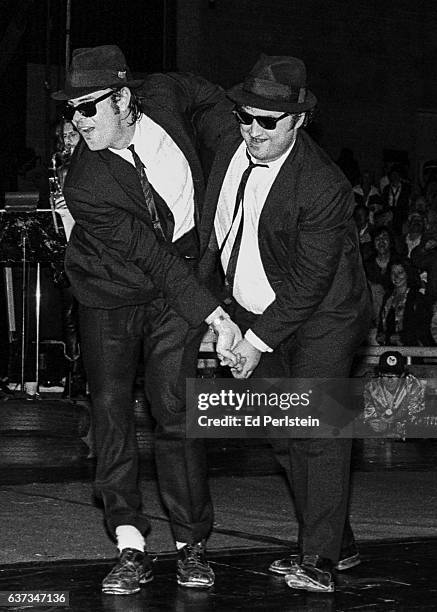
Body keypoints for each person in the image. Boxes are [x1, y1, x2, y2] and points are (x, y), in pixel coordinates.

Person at [51, 45, 242, 595]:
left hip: (177, 284)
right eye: (72, 110)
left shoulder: (165, 93)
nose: (78, 121)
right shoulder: (86, 181)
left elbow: (213, 99)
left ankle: (191, 543)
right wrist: (213, 313)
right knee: (112, 412)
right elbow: (149, 257)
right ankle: (129, 541)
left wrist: (225, 146)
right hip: (111, 294)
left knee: (175, 406)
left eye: (89, 108)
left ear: (125, 98)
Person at [198, 54, 372, 592]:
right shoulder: (230, 146)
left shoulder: (322, 184)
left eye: (268, 121)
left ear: (298, 120)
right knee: (280, 433)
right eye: (244, 116)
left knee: (316, 431)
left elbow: (308, 286)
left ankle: (317, 559)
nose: (253, 130)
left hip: (325, 316)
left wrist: (254, 341)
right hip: (255, 305)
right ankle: (337, 543)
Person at [362, 350, 425, 439]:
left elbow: (417, 420)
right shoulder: (372, 387)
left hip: (409, 439)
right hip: (380, 438)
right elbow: (369, 415)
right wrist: (372, 423)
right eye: (385, 374)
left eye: (394, 375)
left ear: (403, 375)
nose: (389, 380)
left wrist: (389, 427)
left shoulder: (413, 386)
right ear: (379, 374)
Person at [377, 258, 434, 347]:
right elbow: (381, 327)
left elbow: (422, 330)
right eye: (393, 273)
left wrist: (400, 337)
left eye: (400, 273)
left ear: (408, 274)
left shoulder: (418, 298)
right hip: (390, 349)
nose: (396, 277)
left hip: (413, 350)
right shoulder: (387, 298)